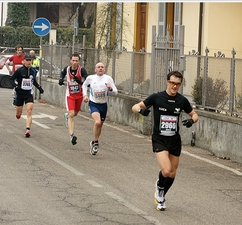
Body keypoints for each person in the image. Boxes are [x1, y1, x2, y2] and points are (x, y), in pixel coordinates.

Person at [131, 70, 199, 211]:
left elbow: (195, 115)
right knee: (166, 170)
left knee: (173, 173)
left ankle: (161, 194)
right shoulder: (157, 97)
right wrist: (141, 111)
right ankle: (160, 187)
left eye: (178, 84)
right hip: (159, 139)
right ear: (167, 82)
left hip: (174, 140)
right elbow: (135, 106)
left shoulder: (182, 100)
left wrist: (191, 121)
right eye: (172, 83)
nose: (174, 86)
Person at [82, 62, 118, 154]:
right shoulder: (91, 78)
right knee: (97, 122)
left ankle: (94, 141)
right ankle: (96, 143)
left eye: (102, 67)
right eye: (98, 67)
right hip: (93, 103)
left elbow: (116, 92)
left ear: (104, 69)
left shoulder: (108, 78)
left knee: (100, 125)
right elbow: (84, 85)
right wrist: (85, 95)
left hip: (103, 105)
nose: (100, 68)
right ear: (95, 69)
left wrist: (110, 89)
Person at [10, 54, 44, 138]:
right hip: (20, 94)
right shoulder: (20, 70)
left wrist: (39, 88)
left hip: (28, 94)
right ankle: (15, 103)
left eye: (30, 60)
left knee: (29, 111)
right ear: (24, 61)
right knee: (18, 115)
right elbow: (11, 79)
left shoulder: (34, 71)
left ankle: (28, 129)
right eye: (27, 60)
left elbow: (33, 81)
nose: (29, 62)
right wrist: (15, 86)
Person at [59, 53, 88, 145]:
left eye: (76, 61)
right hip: (70, 96)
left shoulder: (82, 70)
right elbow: (62, 74)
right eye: (73, 60)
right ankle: (72, 136)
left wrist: (79, 81)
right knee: (71, 114)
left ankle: (67, 117)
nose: (75, 62)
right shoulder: (66, 69)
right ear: (70, 61)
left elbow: (87, 82)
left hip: (79, 95)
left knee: (75, 113)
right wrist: (60, 79)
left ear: (79, 61)